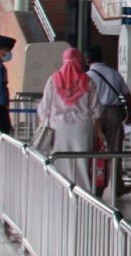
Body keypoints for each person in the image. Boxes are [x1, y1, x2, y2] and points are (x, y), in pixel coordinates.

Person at [38, 48, 102, 193]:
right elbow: (96, 109)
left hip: (58, 128)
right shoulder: (87, 81)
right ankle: (82, 192)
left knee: (59, 159)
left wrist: (43, 122)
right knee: (81, 161)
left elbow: (44, 107)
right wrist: (98, 130)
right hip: (82, 128)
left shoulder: (53, 80)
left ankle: (59, 190)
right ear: (79, 62)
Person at [85, 45, 131, 198]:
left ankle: (94, 186)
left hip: (95, 115)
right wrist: (129, 114)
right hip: (114, 112)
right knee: (115, 150)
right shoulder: (114, 73)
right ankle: (117, 187)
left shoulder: (87, 76)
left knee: (95, 150)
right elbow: (127, 95)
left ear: (87, 59)